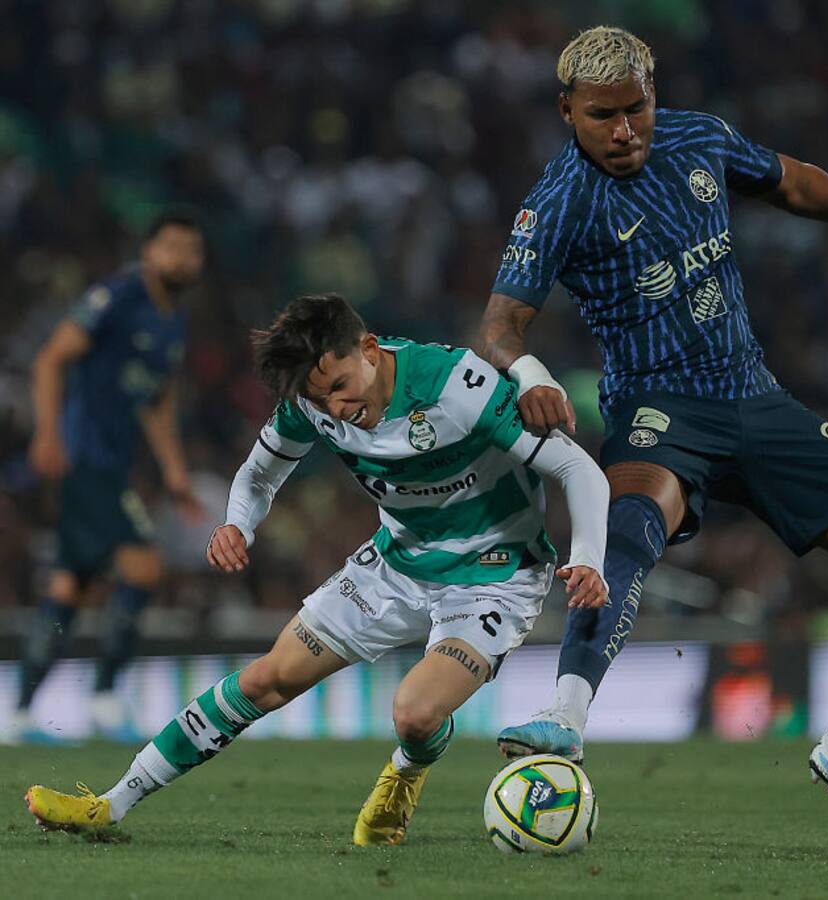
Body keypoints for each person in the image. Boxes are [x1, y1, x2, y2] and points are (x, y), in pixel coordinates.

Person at [475, 26, 828, 841]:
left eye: (636, 108)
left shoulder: (698, 136)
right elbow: (498, 326)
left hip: (755, 398)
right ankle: (565, 716)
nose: (625, 130)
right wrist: (528, 375)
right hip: (659, 411)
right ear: (567, 111)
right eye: (603, 115)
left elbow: (787, 181)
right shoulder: (560, 200)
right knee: (627, 527)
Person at [25, 293, 610, 844]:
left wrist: (586, 557)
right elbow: (258, 474)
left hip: (493, 574)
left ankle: (404, 773)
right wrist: (237, 524)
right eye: (321, 397)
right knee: (265, 679)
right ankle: (112, 803)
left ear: (370, 349)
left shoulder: (458, 386)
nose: (338, 408)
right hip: (397, 563)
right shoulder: (311, 401)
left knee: (413, 714)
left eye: (341, 386)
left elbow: (579, 471)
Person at [6, 212, 205, 744]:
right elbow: (51, 358)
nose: (181, 258)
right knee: (143, 567)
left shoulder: (173, 320)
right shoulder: (118, 297)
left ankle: (22, 708)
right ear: (148, 252)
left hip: (111, 464)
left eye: (191, 250)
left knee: (69, 589)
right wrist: (48, 433)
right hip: (86, 459)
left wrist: (175, 472)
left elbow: (156, 401)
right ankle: (106, 696)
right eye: (171, 247)